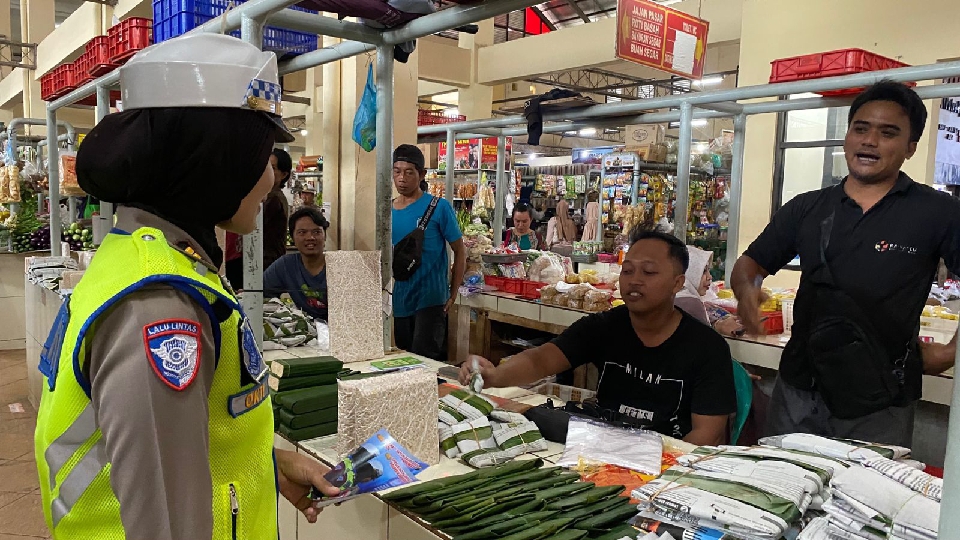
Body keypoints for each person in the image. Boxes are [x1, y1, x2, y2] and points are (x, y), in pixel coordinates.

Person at [35, 34, 339, 540]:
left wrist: (265, 464)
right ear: (214, 157)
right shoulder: (157, 309)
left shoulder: (152, 254)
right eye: (261, 157)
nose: (270, 180)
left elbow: (164, 444)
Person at [731, 81, 960, 446]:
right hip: (799, 388)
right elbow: (750, 264)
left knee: (864, 497)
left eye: (888, 133)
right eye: (861, 128)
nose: (869, 141)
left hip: (881, 401)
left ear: (911, 148)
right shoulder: (807, 207)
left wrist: (950, 352)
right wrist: (747, 291)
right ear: (847, 136)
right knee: (781, 486)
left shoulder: (938, 212)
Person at [461, 228, 737, 445]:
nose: (634, 280)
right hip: (600, 448)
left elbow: (708, 436)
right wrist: (494, 376)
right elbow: (542, 360)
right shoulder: (604, 326)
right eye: (627, 271)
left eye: (649, 272)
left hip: (665, 459)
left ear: (678, 283)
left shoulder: (707, 347)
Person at [391, 144, 466, 360]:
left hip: (431, 300)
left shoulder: (439, 207)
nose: (402, 178)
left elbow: (460, 251)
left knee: (424, 362)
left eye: (409, 172)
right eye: (397, 172)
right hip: (401, 299)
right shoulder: (387, 210)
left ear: (422, 174)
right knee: (404, 360)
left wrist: (452, 293)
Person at [265, 207, 329, 321]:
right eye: (302, 232)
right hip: (305, 331)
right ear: (293, 237)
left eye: (317, 232)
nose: (310, 238)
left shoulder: (338, 265)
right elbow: (260, 291)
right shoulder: (286, 265)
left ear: (325, 236)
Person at [675, 245, 743, 336]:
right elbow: (706, 340)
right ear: (689, 272)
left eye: (708, 270)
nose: (709, 277)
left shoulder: (674, 296)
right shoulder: (690, 302)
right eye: (703, 271)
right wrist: (720, 326)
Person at [264, 148, 293, 271]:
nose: (267, 172)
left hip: (267, 264)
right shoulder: (268, 195)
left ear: (284, 174)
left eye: (273, 168)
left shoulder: (274, 199)